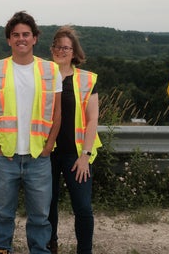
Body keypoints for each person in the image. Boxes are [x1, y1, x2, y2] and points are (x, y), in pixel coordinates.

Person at [0, 11, 62, 254]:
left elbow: (57, 114)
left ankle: (39, 250)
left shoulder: (50, 70)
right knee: (2, 212)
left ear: (35, 38)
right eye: (16, 35)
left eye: (26, 34)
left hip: (38, 156)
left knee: (40, 215)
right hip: (5, 155)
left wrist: (48, 147)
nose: (21, 39)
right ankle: (1, 249)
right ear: (9, 40)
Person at [47, 26, 102, 254]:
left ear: (74, 52)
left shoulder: (87, 80)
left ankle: (85, 251)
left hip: (77, 153)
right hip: (46, 151)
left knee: (83, 208)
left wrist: (85, 156)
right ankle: (50, 245)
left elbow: (93, 120)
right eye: (58, 46)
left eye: (66, 47)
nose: (62, 50)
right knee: (47, 207)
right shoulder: (42, 76)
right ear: (52, 49)